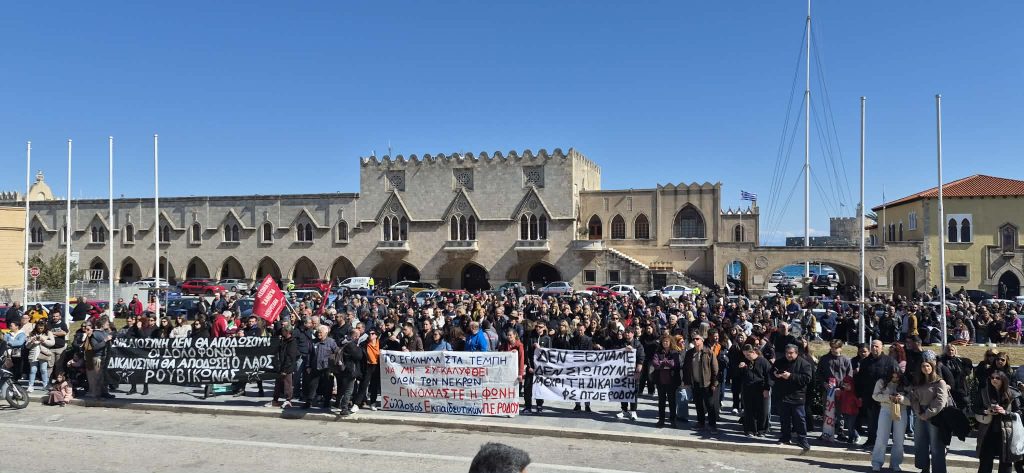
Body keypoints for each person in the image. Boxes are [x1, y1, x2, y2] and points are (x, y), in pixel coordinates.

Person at [908, 353, 949, 473]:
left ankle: (939, 470)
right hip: (920, 414)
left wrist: (927, 414)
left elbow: (940, 401)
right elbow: (913, 398)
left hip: (935, 415)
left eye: (928, 366)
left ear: (932, 367)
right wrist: (919, 412)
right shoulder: (918, 382)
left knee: (936, 446)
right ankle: (924, 468)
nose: (926, 368)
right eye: (923, 366)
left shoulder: (939, 382)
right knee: (921, 443)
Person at [976, 370, 1023, 473]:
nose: (994, 380)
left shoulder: (1013, 393)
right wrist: (986, 411)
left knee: (1006, 462)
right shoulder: (984, 391)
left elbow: (1020, 412)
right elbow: (975, 408)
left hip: (1007, 433)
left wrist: (1005, 412)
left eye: (997, 378)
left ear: (1003, 380)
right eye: (992, 378)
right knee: (985, 462)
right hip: (988, 431)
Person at [855, 339, 897, 449]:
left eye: (877, 346)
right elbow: (859, 380)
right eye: (873, 346)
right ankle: (871, 440)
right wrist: (859, 395)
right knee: (871, 420)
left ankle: (884, 442)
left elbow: (897, 377)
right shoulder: (865, 362)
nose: (874, 348)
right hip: (870, 396)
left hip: (886, 396)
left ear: (882, 347)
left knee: (885, 421)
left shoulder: (890, 361)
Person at [773, 344, 813, 451]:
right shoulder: (780, 361)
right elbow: (772, 371)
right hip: (783, 395)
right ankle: (785, 437)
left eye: (791, 353)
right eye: (787, 353)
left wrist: (790, 376)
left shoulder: (804, 364)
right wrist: (775, 375)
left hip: (797, 396)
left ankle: (802, 439)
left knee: (800, 419)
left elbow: (807, 379)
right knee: (784, 419)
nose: (788, 355)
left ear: (796, 353)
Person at [871, 368, 909, 472]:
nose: (895, 378)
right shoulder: (881, 381)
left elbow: (912, 400)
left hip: (901, 410)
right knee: (882, 437)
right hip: (886, 409)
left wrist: (902, 399)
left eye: (897, 377)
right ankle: (877, 462)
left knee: (899, 439)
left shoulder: (905, 382)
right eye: (893, 376)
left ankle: (895, 464)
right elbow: (875, 396)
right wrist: (888, 397)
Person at [682, 331, 719, 434]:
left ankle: (712, 425)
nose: (695, 340)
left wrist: (714, 383)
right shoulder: (689, 353)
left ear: (702, 340)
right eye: (694, 339)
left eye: (697, 339)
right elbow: (685, 368)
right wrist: (686, 381)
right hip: (695, 383)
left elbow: (715, 369)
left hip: (707, 383)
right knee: (698, 404)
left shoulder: (708, 352)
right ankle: (701, 423)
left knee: (709, 405)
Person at [613, 327, 644, 421]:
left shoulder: (638, 344)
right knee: (623, 390)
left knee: (633, 391)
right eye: (626, 332)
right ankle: (624, 410)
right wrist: (623, 349)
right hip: (622, 372)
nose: (627, 334)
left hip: (633, 371)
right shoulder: (621, 342)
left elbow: (641, 357)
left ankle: (633, 411)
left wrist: (638, 371)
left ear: (633, 334)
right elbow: (614, 353)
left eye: (629, 332)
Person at [651, 334, 681, 428]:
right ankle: (661, 420)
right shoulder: (658, 352)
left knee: (672, 402)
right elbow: (655, 364)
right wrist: (666, 363)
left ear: (670, 342)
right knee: (661, 402)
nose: (665, 343)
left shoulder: (674, 352)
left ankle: (673, 420)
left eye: (667, 341)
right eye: (663, 341)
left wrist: (663, 362)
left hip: (672, 381)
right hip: (660, 381)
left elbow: (675, 364)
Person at [524, 321, 551, 414]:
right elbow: (527, 353)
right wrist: (529, 367)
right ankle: (528, 406)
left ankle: (539, 405)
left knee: (539, 387)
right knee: (527, 387)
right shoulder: (531, 338)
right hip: (531, 366)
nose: (538, 328)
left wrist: (540, 348)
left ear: (544, 328)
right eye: (537, 326)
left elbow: (548, 354)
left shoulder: (547, 339)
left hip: (541, 368)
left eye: (540, 327)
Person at [268, 324, 298, 408]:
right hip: (280, 366)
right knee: (277, 384)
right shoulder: (283, 341)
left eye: (283, 331)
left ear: (287, 332)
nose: (282, 332)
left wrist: (285, 369)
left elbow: (290, 357)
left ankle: (288, 400)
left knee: (287, 384)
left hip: (287, 368)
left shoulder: (292, 342)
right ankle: (275, 400)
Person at [25, 321, 54, 392]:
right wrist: (31, 341)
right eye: (39, 328)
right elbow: (27, 346)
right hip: (33, 354)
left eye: (42, 328)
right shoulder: (32, 333)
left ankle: (45, 385)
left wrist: (43, 340)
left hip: (43, 353)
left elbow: (52, 343)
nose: (40, 329)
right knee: (33, 370)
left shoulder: (48, 333)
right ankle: (30, 386)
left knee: (43, 370)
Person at [834, 376, 861, 444]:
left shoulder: (854, 394)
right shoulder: (843, 393)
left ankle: (852, 437)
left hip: (853, 413)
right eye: (845, 385)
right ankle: (854, 436)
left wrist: (860, 401)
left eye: (848, 385)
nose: (846, 387)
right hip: (845, 412)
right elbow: (839, 400)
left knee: (850, 425)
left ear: (851, 385)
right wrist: (838, 395)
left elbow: (859, 404)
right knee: (849, 426)